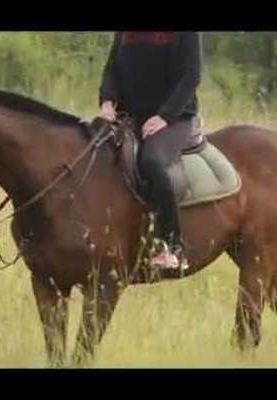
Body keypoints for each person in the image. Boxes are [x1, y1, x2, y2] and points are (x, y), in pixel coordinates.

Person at [99, 31, 203, 270]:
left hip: (174, 119)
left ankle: (174, 247)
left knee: (152, 162)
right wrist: (107, 100)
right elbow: (112, 67)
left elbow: (192, 75)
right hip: (128, 117)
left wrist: (165, 116)